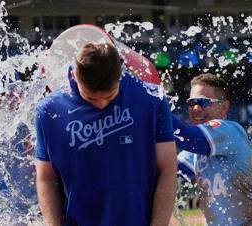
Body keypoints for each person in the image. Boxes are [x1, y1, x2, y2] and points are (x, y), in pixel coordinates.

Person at [35, 43, 177, 226]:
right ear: (75, 75)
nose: (101, 104)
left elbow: (167, 169)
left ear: (120, 75)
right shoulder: (49, 110)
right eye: (91, 98)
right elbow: (46, 178)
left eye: (110, 96)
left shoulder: (152, 98)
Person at [172, 74, 252, 225]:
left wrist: (154, 106)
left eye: (203, 102)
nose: (196, 108)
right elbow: (169, 170)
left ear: (224, 107)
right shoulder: (194, 152)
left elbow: (186, 136)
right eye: (192, 103)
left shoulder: (231, 130)